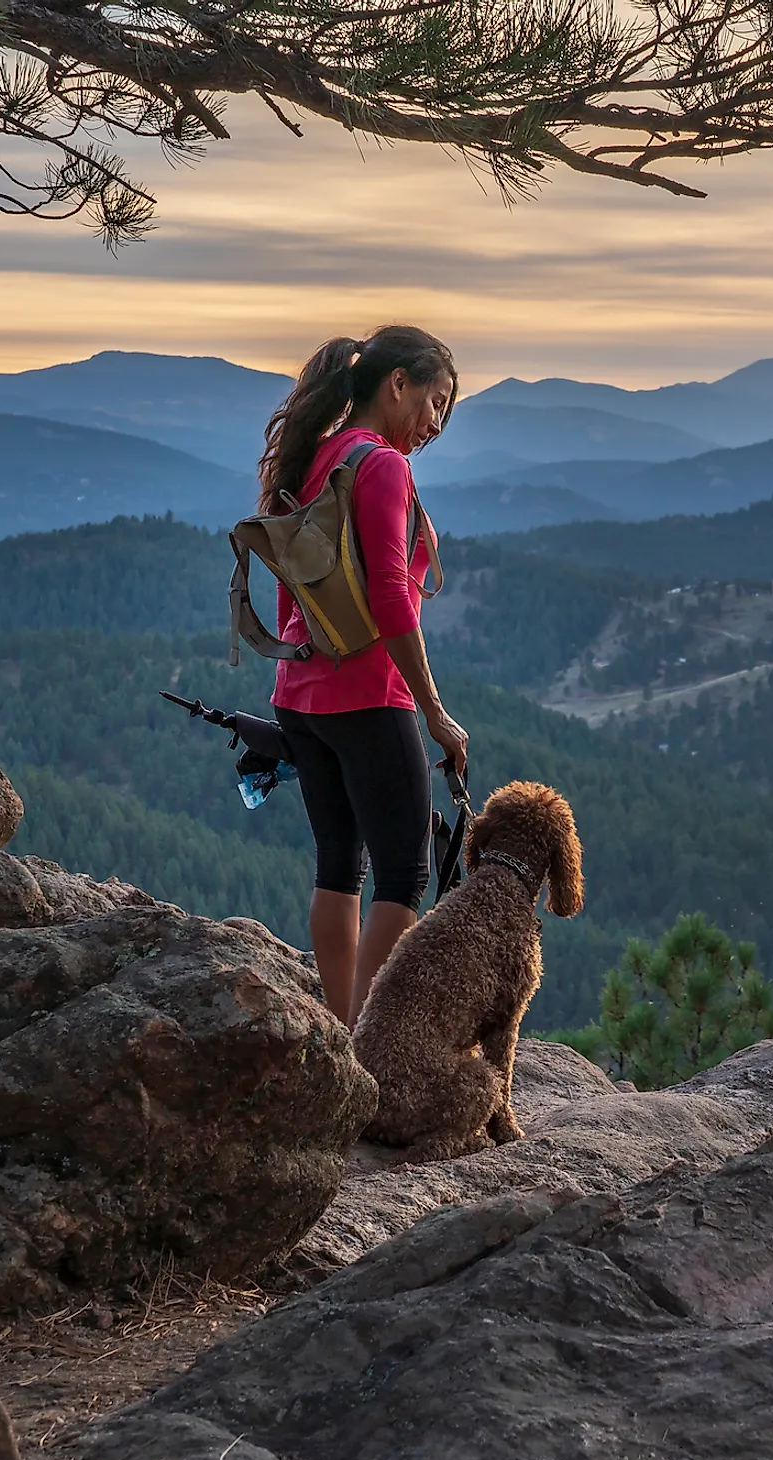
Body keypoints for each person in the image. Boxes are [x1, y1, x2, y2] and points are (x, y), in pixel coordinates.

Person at [259, 326, 468, 1027]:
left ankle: (341, 1037)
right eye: (433, 401)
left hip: (301, 692)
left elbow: (293, 581)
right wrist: (434, 711)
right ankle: (367, 1045)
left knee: (338, 862)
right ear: (396, 384)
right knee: (404, 874)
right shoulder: (380, 465)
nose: (435, 423)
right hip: (369, 693)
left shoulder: (317, 456)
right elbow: (389, 597)